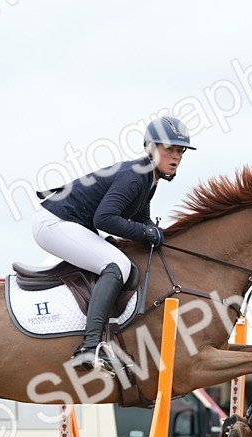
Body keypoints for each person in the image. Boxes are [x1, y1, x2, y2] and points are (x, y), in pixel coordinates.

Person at [31, 115, 195, 374]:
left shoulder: (148, 179)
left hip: (70, 223)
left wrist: (157, 234)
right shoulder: (135, 176)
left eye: (180, 150)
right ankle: (90, 346)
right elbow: (105, 219)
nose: (176, 156)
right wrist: (146, 232)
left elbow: (141, 219)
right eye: (169, 149)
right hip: (54, 223)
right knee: (116, 264)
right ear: (151, 148)